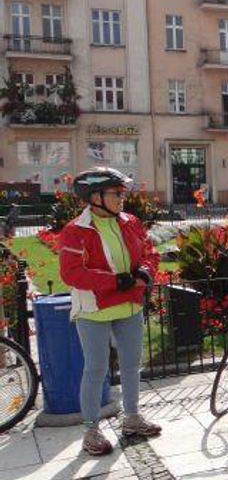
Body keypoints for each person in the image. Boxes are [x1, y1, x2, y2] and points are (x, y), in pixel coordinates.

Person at [59, 168, 161, 456]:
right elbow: (72, 273)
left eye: (122, 193)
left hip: (129, 305)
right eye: (117, 193)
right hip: (94, 310)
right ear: (95, 197)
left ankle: (131, 418)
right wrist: (114, 280)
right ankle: (91, 430)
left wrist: (145, 270)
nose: (122, 198)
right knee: (96, 369)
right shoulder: (76, 230)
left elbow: (150, 253)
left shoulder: (130, 222)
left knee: (131, 364)